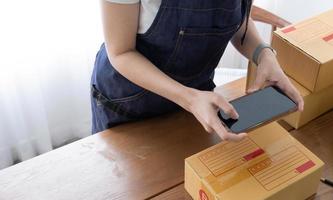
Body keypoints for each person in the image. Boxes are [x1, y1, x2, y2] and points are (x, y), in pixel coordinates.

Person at [91, 0, 304, 141]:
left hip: (197, 104)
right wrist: (189, 98)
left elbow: (237, 22)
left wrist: (264, 54)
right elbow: (121, 52)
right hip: (130, 106)